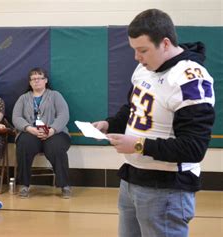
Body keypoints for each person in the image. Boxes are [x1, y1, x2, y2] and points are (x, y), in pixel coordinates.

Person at [92, 9, 215, 237]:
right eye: (134, 50)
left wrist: (139, 145)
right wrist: (110, 124)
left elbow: (194, 148)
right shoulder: (145, 68)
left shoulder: (190, 79)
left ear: (165, 44)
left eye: (143, 50)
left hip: (167, 189)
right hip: (132, 178)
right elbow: (134, 108)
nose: (137, 57)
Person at [12, 67, 72, 199]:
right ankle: (24, 185)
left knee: (56, 147)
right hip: (31, 133)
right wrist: (29, 128)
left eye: (39, 78)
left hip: (54, 133)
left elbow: (63, 115)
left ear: (45, 80)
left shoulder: (55, 95)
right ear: (30, 82)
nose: (36, 81)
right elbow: (16, 117)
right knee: (24, 144)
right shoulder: (23, 98)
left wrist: (51, 130)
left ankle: (64, 185)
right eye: (33, 79)